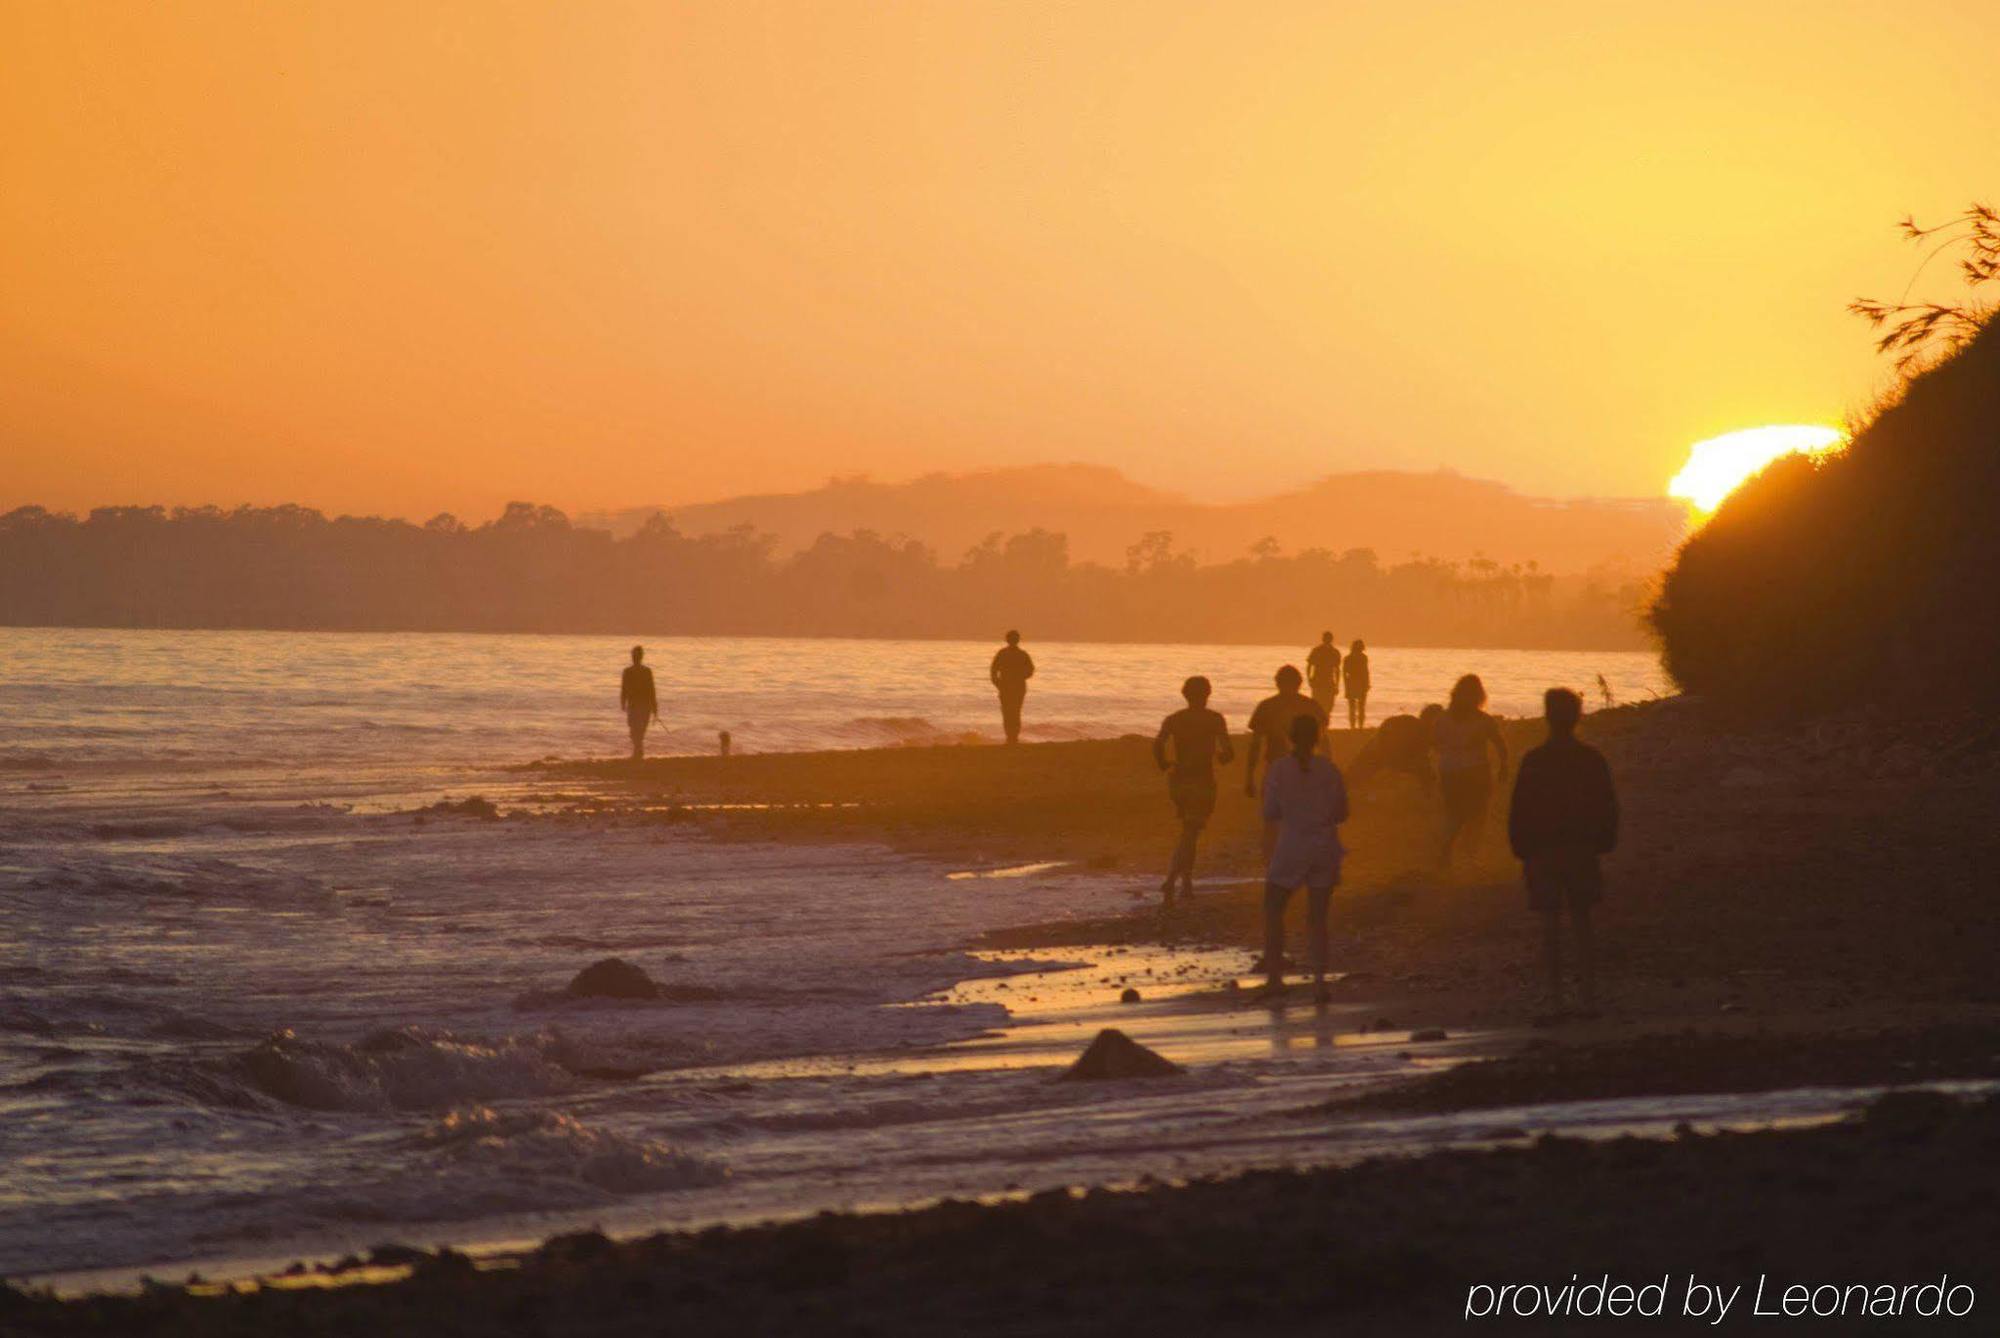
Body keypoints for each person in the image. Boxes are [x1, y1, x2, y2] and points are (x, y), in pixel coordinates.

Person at [1508, 688, 1618, 1020]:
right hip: (1581, 849)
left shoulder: (1535, 760)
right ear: (1578, 716)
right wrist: (1604, 841)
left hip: (1544, 851)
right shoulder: (1592, 759)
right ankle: (1588, 999)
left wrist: (1521, 848)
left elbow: (1519, 809)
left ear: (1547, 717)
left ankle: (1556, 999)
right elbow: (1607, 805)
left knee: (1550, 925)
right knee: (1583, 923)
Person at [1259, 712, 1349, 1001]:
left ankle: (1275, 978)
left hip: (1292, 845)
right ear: (1318, 737)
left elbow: (1270, 812)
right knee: (1318, 917)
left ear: (1290, 737)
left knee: (1274, 909)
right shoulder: (1330, 769)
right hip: (1325, 845)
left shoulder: (1279, 769)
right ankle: (1320, 983)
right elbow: (1342, 813)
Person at [1152, 676, 1235, 905]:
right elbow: (1228, 752)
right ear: (1207, 694)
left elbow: (1158, 744)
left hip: (1178, 780)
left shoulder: (1174, 719)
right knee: (1190, 833)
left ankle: (1186, 883)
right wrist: (1221, 757)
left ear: (1184, 695)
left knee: (1190, 831)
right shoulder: (1215, 719)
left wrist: (1164, 763)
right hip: (1202, 779)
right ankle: (1171, 879)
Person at [1245, 664, 1329, 859]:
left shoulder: (1267, 706)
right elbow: (1324, 739)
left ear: (1277, 683)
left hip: (1279, 770)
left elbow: (1255, 744)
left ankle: (1273, 864)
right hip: (1303, 770)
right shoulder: (1310, 706)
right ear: (1300, 684)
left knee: (1272, 822)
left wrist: (1249, 777)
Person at [1434, 673, 1507, 868]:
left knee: (1454, 813)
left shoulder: (1442, 719)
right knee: (1477, 814)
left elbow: (1436, 744)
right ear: (1479, 696)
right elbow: (1500, 744)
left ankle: (1447, 849)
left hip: (1449, 771)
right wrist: (1504, 767)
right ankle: (1469, 855)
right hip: (1476, 771)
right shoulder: (1484, 720)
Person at [989, 631, 1035, 744]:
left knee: (1009, 712)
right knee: (1013, 711)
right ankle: (1012, 736)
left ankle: (1012, 736)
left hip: (1012, 686)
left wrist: (998, 683)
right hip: (1011, 686)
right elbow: (1030, 670)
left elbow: (993, 670)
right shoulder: (1018, 654)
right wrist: (998, 683)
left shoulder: (1008, 654)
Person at [619, 646, 659, 761]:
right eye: (633, 655)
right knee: (633, 729)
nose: (634, 657)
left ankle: (638, 751)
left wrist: (654, 707)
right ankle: (638, 750)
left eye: (636, 656)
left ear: (640, 657)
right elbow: (624, 688)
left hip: (644, 704)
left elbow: (651, 689)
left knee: (640, 729)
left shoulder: (646, 671)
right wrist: (623, 701)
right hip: (634, 704)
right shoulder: (627, 671)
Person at [1305, 633, 1341, 718]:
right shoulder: (1334, 652)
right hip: (1325, 682)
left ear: (1323, 639)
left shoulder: (1317, 650)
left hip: (1320, 681)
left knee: (1320, 704)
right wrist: (1337, 684)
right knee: (1327, 705)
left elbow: (1309, 666)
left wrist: (1309, 679)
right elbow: (1337, 670)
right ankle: (1323, 725)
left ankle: (1321, 724)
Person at [1343, 639, 1371, 730]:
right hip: (1360, 682)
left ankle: (1354, 727)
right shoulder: (1363, 658)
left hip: (1352, 682)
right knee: (1361, 706)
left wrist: (1346, 686)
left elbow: (1344, 674)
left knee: (1353, 707)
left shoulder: (1348, 658)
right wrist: (1367, 683)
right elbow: (1366, 672)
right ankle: (1359, 727)